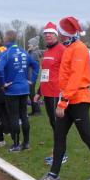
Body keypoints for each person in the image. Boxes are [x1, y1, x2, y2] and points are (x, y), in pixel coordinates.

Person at [34, 16, 90, 180]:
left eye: (61, 32)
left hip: (78, 99)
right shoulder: (70, 48)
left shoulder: (79, 49)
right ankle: (53, 175)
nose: (59, 35)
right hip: (69, 98)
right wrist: (63, 99)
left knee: (87, 135)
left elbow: (75, 78)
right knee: (59, 135)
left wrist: (63, 102)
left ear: (65, 33)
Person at [0, 30, 39, 152]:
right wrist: (32, 80)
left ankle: (16, 145)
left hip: (12, 90)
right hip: (24, 88)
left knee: (14, 117)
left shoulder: (5, 53)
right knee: (24, 115)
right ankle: (26, 143)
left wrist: (3, 83)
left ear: (6, 39)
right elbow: (36, 65)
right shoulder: (24, 51)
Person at [34, 22, 68, 166]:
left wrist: (64, 93)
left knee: (58, 126)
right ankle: (58, 152)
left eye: (50, 33)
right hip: (47, 93)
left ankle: (61, 155)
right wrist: (39, 92)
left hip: (56, 93)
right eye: (45, 33)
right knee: (54, 124)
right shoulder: (47, 51)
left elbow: (67, 72)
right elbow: (45, 74)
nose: (47, 35)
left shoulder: (62, 50)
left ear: (56, 35)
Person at [27, 37, 43, 116]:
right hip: (30, 76)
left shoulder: (34, 53)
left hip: (31, 77)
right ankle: (34, 110)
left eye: (29, 44)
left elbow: (29, 62)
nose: (28, 45)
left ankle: (37, 111)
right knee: (31, 94)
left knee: (32, 94)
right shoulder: (32, 52)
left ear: (33, 45)